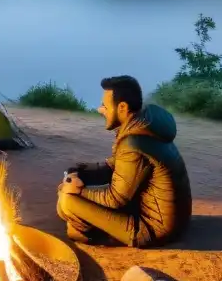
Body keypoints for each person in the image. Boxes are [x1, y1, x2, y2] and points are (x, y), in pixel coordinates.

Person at [56, 75, 192, 248]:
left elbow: (115, 198)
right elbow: (116, 167)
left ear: (122, 107)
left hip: (153, 228)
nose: (100, 109)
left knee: (67, 201)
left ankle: (94, 234)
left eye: (104, 106)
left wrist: (78, 190)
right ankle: (89, 223)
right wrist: (83, 171)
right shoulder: (143, 126)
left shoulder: (133, 143)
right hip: (171, 219)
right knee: (69, 198)